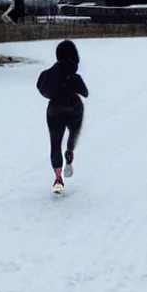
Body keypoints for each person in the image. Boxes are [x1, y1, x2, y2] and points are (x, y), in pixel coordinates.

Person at [36, 40, 89, 192]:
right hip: (74, 109)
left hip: (54, 110)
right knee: (72, 135)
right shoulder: (75, 77)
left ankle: (58, 178)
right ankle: (70, 151)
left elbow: (41, 87)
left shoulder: (47, 75)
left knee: (55, 143)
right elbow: (85, 93)